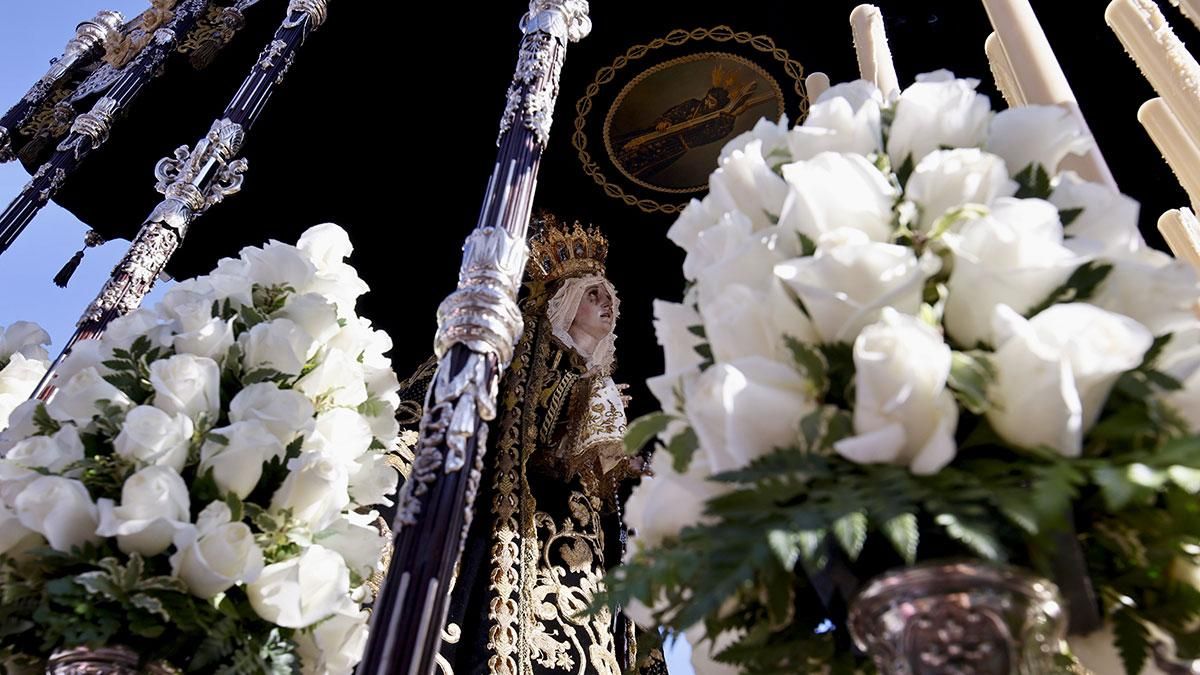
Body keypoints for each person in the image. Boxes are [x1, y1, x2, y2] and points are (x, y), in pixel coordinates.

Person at [400, 213, 661, 675]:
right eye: (592, 294)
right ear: (565, 304)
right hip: (518, 521)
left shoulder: (598, 379)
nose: (607, 303)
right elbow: (528, 430)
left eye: (610, 297)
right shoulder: (529, 351)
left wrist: (630, 460)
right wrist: (582, 402)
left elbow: (594, 461)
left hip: (582, 538)